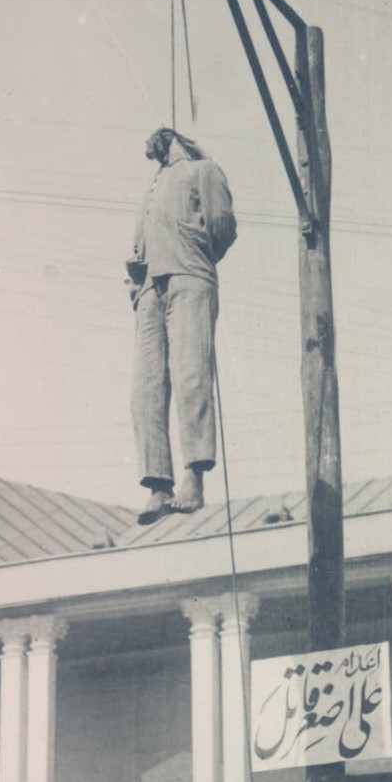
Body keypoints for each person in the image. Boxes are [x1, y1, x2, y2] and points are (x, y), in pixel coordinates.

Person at [126, 126, 237, 523]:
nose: (147, 146)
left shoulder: (203, 171)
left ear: (169, 137)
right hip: (149, 291)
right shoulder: (151, 187)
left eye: (152, 140)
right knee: (146, 389)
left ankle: (194, 478)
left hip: (189, 278)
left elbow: (223, 226)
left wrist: (196, 255)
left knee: (191, 376)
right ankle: (158, 485)